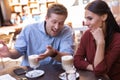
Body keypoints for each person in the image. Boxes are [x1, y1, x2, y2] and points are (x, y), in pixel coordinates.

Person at [0, 3, 74, 66]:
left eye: (61, 23)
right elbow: (18, 52)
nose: (57, 27)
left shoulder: (66, 30)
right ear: (46, 18)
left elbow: (67, 57)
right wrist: (9, 53)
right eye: (54, 22)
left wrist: (53, 53)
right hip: (30, 71)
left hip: (54, 73)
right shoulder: (29, 30)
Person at [74, 0, 120, 80]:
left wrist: (100, 43)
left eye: (90, 19)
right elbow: (77, 60)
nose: (86, 23)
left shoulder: (117, 39)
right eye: (86, 19)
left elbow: (99, 70)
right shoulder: (87, 35)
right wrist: (92, 67)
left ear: (104, 17)